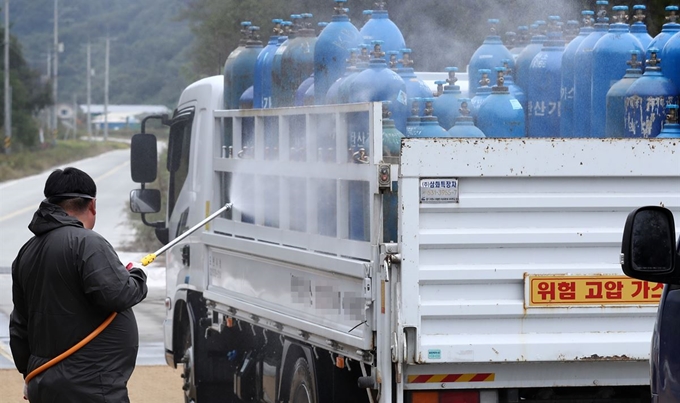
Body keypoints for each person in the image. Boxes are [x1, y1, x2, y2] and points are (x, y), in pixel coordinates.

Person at [9, 167, 148, 402]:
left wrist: (29, 374)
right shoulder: (87, 242)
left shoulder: (27, 251)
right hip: (90, 387)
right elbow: (119, 295)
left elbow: (19, 326)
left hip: (44, 383)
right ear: (92, 205)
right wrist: (136, 277)